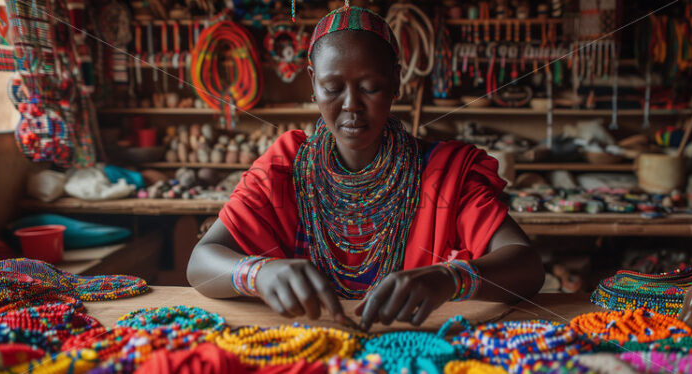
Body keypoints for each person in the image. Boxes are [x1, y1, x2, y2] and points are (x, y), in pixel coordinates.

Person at [187, 6, 544, 331]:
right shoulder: (283, 167)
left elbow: (527, 266)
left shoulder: (444, 173)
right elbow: (201, 263)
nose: (351, 105)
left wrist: (449, 278)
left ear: (396, 82)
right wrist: (258, 273)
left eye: (371, 87)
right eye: (332, 88)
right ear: (313, 83)